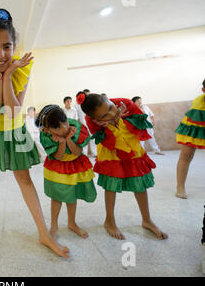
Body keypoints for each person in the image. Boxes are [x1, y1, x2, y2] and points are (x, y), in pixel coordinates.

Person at [0, 8, 70, 261]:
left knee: (25, 181)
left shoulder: (21, 67)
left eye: (7, 47)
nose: (1, 54)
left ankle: (44, 233)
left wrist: (8, 74)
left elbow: (11, 112)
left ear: (14, 46)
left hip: (14, 131)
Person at [78, 92, 167, 240]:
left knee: (139, 183)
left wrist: (123, 118)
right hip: (111, 152)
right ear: (96, 119)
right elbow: (102, 138)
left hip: (132, 147)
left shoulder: (125, 103)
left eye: (111, 108)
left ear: (107, 98)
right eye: (105, 115)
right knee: (111, 185)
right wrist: (109, 125)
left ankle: (147, 220)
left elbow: (141, 123)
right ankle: (109, 221)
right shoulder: (90, 120)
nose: (112, 113)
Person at [36, 105, 96, 239]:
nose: (64, 128)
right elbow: (58, 156)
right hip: (58, 167)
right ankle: (54, 225)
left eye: (64, 122)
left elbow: (78, 151)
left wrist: (68, 139)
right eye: (57, 127)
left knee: (72, 195)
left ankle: (72, 223)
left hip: (75, 164)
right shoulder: (46, 135)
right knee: (57, 197)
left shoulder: (76, 127)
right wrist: (61, 142)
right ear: (47, 129)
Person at [174, 80, 205, 199]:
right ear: (203, 90)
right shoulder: (198, 105)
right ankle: (180, 187)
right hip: (196, 125)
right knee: (186, 155)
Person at [75, 90, 97, 157]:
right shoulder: (77, 105)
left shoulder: (90, 103)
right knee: (84, 140)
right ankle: (84, 154)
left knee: (92, 139)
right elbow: (77, 116)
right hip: (82, 124)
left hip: (90, 124)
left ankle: (94, 153)